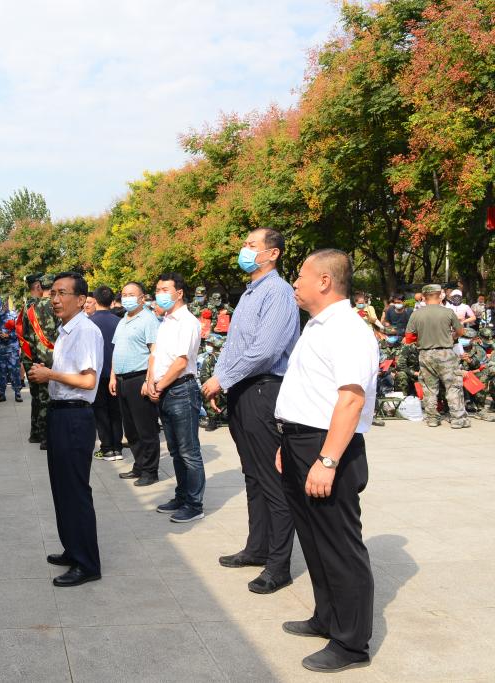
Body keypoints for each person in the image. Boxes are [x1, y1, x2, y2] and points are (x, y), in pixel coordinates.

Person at [274, 248, 377, 674]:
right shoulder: (317, 326)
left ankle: (351, 643)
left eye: (300, 275)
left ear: (324, 281)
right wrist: (288, 441)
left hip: (329, 446)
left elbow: (351, 399)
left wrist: (328, 460)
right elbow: (310, 391)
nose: (294, 283)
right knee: (314, 539)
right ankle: (327, 617)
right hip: (302, 442)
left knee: (339, 545)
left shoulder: (348, 329)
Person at [202, 227, 300, 593]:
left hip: (264, 388)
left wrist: (223, 379)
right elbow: (234, 346)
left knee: (272, 479)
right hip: (243, 389)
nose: (244, 250)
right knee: (253, 475)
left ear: (272, 253)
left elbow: (265, 351)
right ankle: (257, 547)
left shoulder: (278, 292)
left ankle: (279, 565)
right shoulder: (250, 292)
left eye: (251, 245)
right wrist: (222, 381)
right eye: (244, 244)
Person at [27, 272, 104, 587]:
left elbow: (88, 380)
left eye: (62, 293)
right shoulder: (66, 330)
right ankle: (73, 549)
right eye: (53, 294)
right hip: (61, 414)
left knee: (75, 491)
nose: (55, 300)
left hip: (75, 416)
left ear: (81, 299)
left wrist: (50, 375)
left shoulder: (85, 330)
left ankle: (87, 564)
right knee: (62, 490)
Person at [148, 272, 205, 523]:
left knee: (189, 451)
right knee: (175, 451)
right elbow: (156, 356)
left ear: (179, 293)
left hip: (182, 390)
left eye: (165, 290)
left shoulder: (188, 322)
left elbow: (181, 362)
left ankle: (194, 504)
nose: (159, 294)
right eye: (157, 290)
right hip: (165, 390)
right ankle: (181, 496)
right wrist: (151, 381)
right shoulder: (166, 321)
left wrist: (159, 386)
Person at [109, 281, 161, 482]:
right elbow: (117, 350)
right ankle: (139, 465)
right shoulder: (123, 319)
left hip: (139, 378)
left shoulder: (148, 319)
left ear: (141, 298)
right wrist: (113, 376)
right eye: (124, 294)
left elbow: (154, 352)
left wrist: (149, 380)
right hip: (122, 380)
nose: (126, 298)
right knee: (130, 429)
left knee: (145, 428)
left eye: (131, 294)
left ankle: (150, 471)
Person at [406, 284, 469, 428]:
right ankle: (457, 419)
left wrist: (423, 339)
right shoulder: (448, 312)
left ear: (424, 296)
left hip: (425, 354)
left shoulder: (416, 314)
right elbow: (460, 331)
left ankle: (432, 418)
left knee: (429, 388)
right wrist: (451, 337)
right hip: (446, 353)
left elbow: (409, 338)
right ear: (440, 295)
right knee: (453, 386)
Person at [20, 274, 59, 447]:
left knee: (37, 396)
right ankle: (46, 437)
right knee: (48, 398)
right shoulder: (56, 305)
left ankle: (35, 433)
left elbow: (25, 334)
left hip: (33, 357)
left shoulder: (30, 307)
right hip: (52, 357)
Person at [89, 285, 125, 460]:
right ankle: (117, 447)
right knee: (116, 411)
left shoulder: (89, 323)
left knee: (100, 411)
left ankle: (107, 448)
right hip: (116, 373)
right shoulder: (120, 322)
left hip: (96, 374)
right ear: (112, 301)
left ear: (95, 300)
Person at [0, 296, 23, 402]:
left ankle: (17, 393)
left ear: (4, 305)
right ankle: (1, 394)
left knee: (14, 371)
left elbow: (20, 330)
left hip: (12, 348)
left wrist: (9, 335)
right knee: (0, 373)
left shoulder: (13, 315)